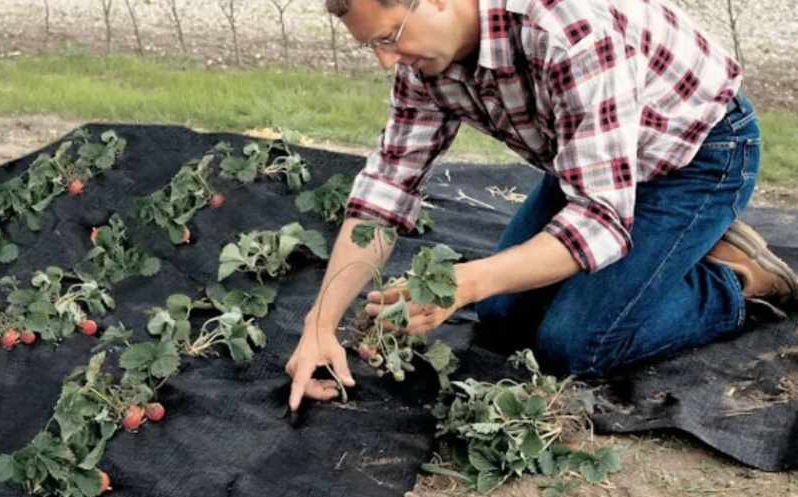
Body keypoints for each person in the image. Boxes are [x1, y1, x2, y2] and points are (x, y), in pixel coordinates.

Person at [285, 0, 798, 412]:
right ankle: (669, 252)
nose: (384, 61)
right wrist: (319, 325)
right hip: (593, 161)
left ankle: (733, 282)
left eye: (388, 38)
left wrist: (461, 284)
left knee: (576, 345)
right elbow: (385, 192)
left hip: (696, 156)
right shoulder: (426, 66)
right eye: (371, 46)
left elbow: (599, 219)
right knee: (502, 314)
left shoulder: (566, 28)